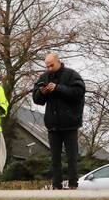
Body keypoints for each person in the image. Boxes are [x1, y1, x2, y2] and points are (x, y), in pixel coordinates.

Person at [32, 53, 86, 190]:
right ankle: (57, 185)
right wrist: (42, 92)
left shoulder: (71, 74)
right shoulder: (43, 77)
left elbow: (78, 92)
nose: (49, 68)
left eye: (51, 65)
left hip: (70, 124)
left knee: (71, 157)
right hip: (52, 124)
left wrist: (57, 88)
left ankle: (73, 184)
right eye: (47, 66)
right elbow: (36, 99)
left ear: (58, 62)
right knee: (55, 159)